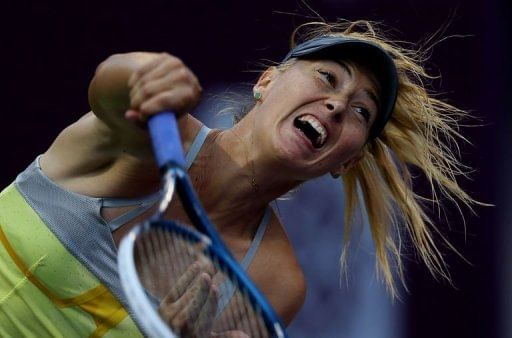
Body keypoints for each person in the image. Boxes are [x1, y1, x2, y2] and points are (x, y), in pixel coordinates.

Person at [0, 20, 476, 337]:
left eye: (361, 111)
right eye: (329, 78)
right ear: (266, 82)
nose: (336, 104)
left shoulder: (274, 283)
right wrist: (146, 73)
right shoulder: (155, 133)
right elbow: (112, 85)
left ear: (343, 163)